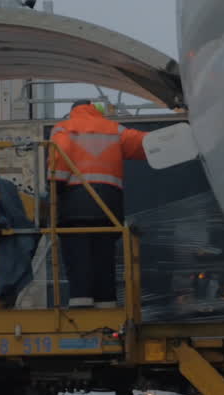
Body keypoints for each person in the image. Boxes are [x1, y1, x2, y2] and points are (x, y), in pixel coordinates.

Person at [49, 100, 148, 307]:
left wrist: (55, 184)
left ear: (72, 110)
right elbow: (142, 144)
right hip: (109, 205)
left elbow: (60, 155)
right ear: (95, 109)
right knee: (104, 255)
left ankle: (81, 301)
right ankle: (106, 302)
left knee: (78, 254)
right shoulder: (114, 129)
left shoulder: (64, 128)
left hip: (75, 203)